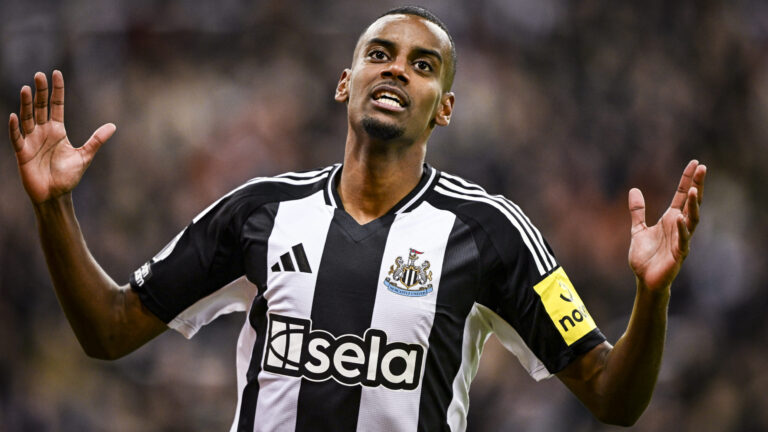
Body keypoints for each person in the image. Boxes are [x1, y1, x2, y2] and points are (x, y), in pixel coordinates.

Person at [8, 6, 706, 432]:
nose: (396, 70)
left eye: (422, 64)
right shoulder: (259, 211)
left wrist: (653, 295)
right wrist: (54, 208)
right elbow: (107, 331)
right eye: (379, 55)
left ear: (446, 107)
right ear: (346, 83)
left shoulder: (490, 232)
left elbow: (615, 400)